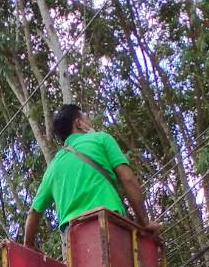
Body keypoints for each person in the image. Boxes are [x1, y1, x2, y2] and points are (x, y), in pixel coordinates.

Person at [24, 103, 157, 249]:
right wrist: (144, 222)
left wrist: (28, 245)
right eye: (86, 117)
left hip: (73, 239)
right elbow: (128, 179)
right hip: (110, 223)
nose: (89, 121)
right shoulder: (101, 139)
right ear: (79, 123)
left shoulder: (53, 167)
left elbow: (33, 212)